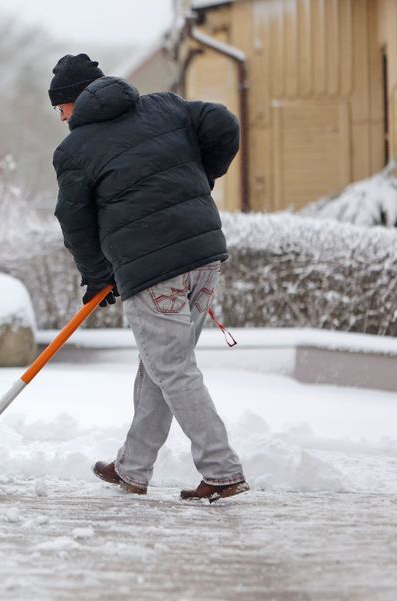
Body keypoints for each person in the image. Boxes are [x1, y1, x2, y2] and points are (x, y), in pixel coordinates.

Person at [48, 53, 249, 502]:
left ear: (74, 103)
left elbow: (75, 223)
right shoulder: (163, 107)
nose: (60, 117)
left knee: (172, 368)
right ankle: (133, 467)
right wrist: (200, 180)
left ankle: (221, 469)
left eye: (59, 107)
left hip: (151, 268)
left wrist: (96, 275)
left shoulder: (75, 150)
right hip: (203, 256)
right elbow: (223, 122)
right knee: (162, 366)